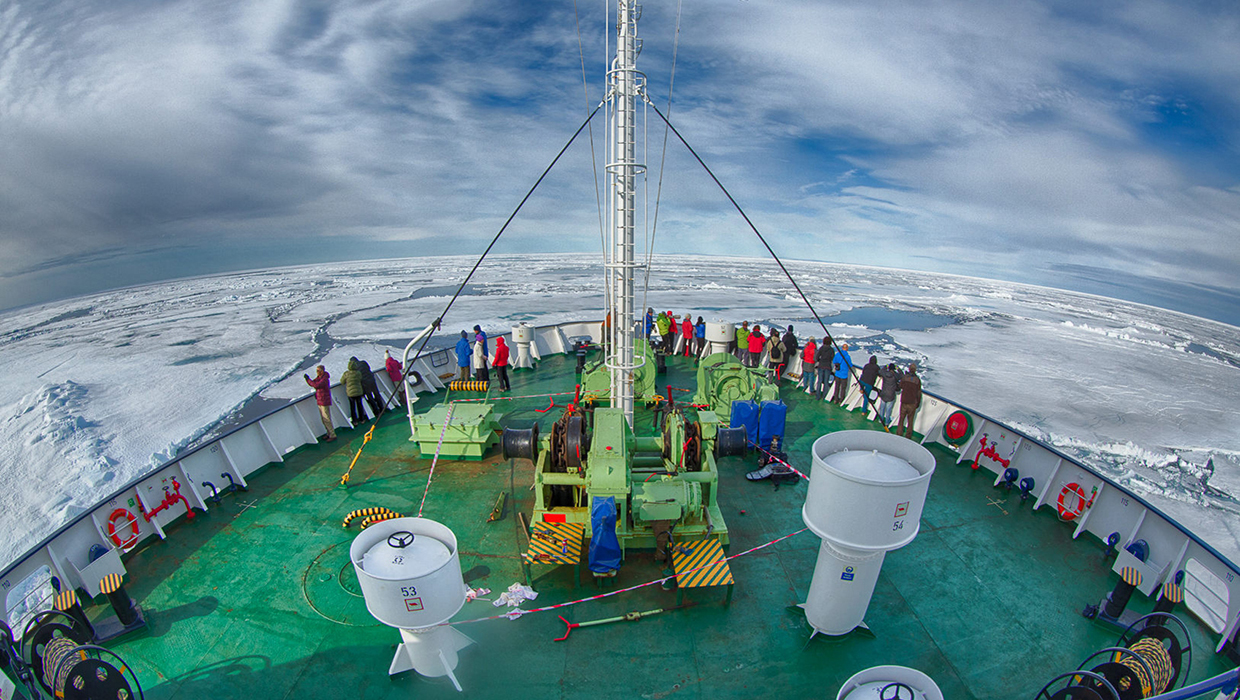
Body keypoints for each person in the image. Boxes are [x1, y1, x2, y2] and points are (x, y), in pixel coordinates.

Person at [304, 365, 336, 441]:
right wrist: (308, 380)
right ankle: (328, 433)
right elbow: (314, 382)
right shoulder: (319, 378)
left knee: (327, 418)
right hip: (320, 400)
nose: (317, 372)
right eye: (316, 371)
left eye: (318, 371)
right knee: (323, 419)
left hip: (324, 400)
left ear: (322, 371)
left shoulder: (324, 379)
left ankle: (332, 435)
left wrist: (308, 380)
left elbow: (316, 385)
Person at [898, 362, 923, 438]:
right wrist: (917, 403)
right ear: (915, 370)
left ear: (909, 369)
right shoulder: (917, 380)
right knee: (910, 420)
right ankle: (908, 435)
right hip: (912, 403)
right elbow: (919, 393)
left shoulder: (905, 378)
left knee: (901, 418)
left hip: (904, 401)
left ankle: (899, 433)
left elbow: (900, 386)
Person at [342, 358, 368, 425]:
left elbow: (342, 381)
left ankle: (355, 421)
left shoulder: (346, 374)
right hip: (359, 392)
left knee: (352, 407)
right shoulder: (358, 373)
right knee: (360, 405)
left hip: (351, 393)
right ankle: (362, 419)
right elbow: (360, 379)